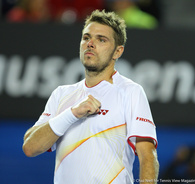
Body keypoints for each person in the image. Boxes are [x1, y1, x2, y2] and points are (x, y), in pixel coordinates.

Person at [22, 9, 159, 184]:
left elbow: (147, 156)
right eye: (86, 38)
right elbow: (30, 147)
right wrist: (72, 114)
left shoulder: (131, 92)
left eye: (101, 39)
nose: (90, 43)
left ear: (118, 52)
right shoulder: (61, 94)